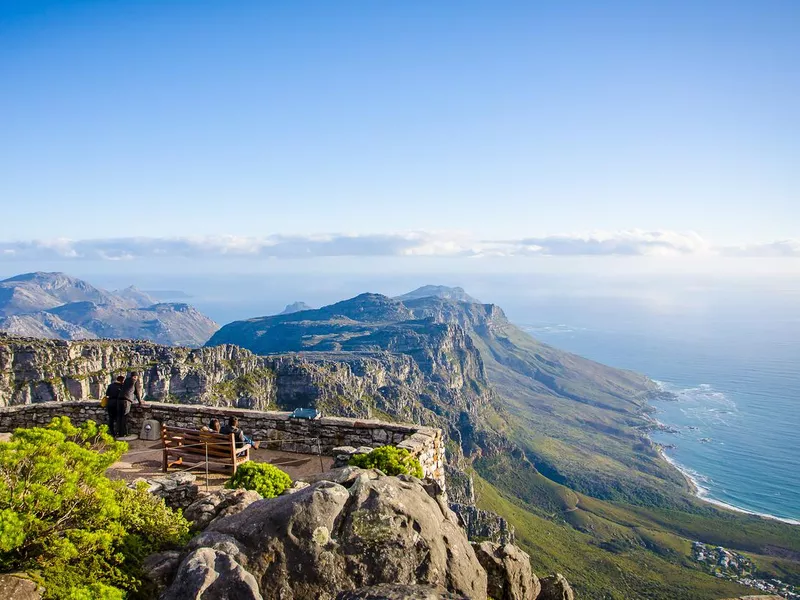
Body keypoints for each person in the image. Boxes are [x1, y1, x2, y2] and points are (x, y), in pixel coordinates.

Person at [119, 372, 145, 437]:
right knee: (125, 417)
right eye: (137, 377)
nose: (137, 379)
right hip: (126, 401)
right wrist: (140, 401)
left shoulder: (126, 381)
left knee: (119, 417)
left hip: (119, 400)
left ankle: (119, 433)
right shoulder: (134, 381)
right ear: (135, 377)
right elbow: (137, 392)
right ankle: (124, 434)